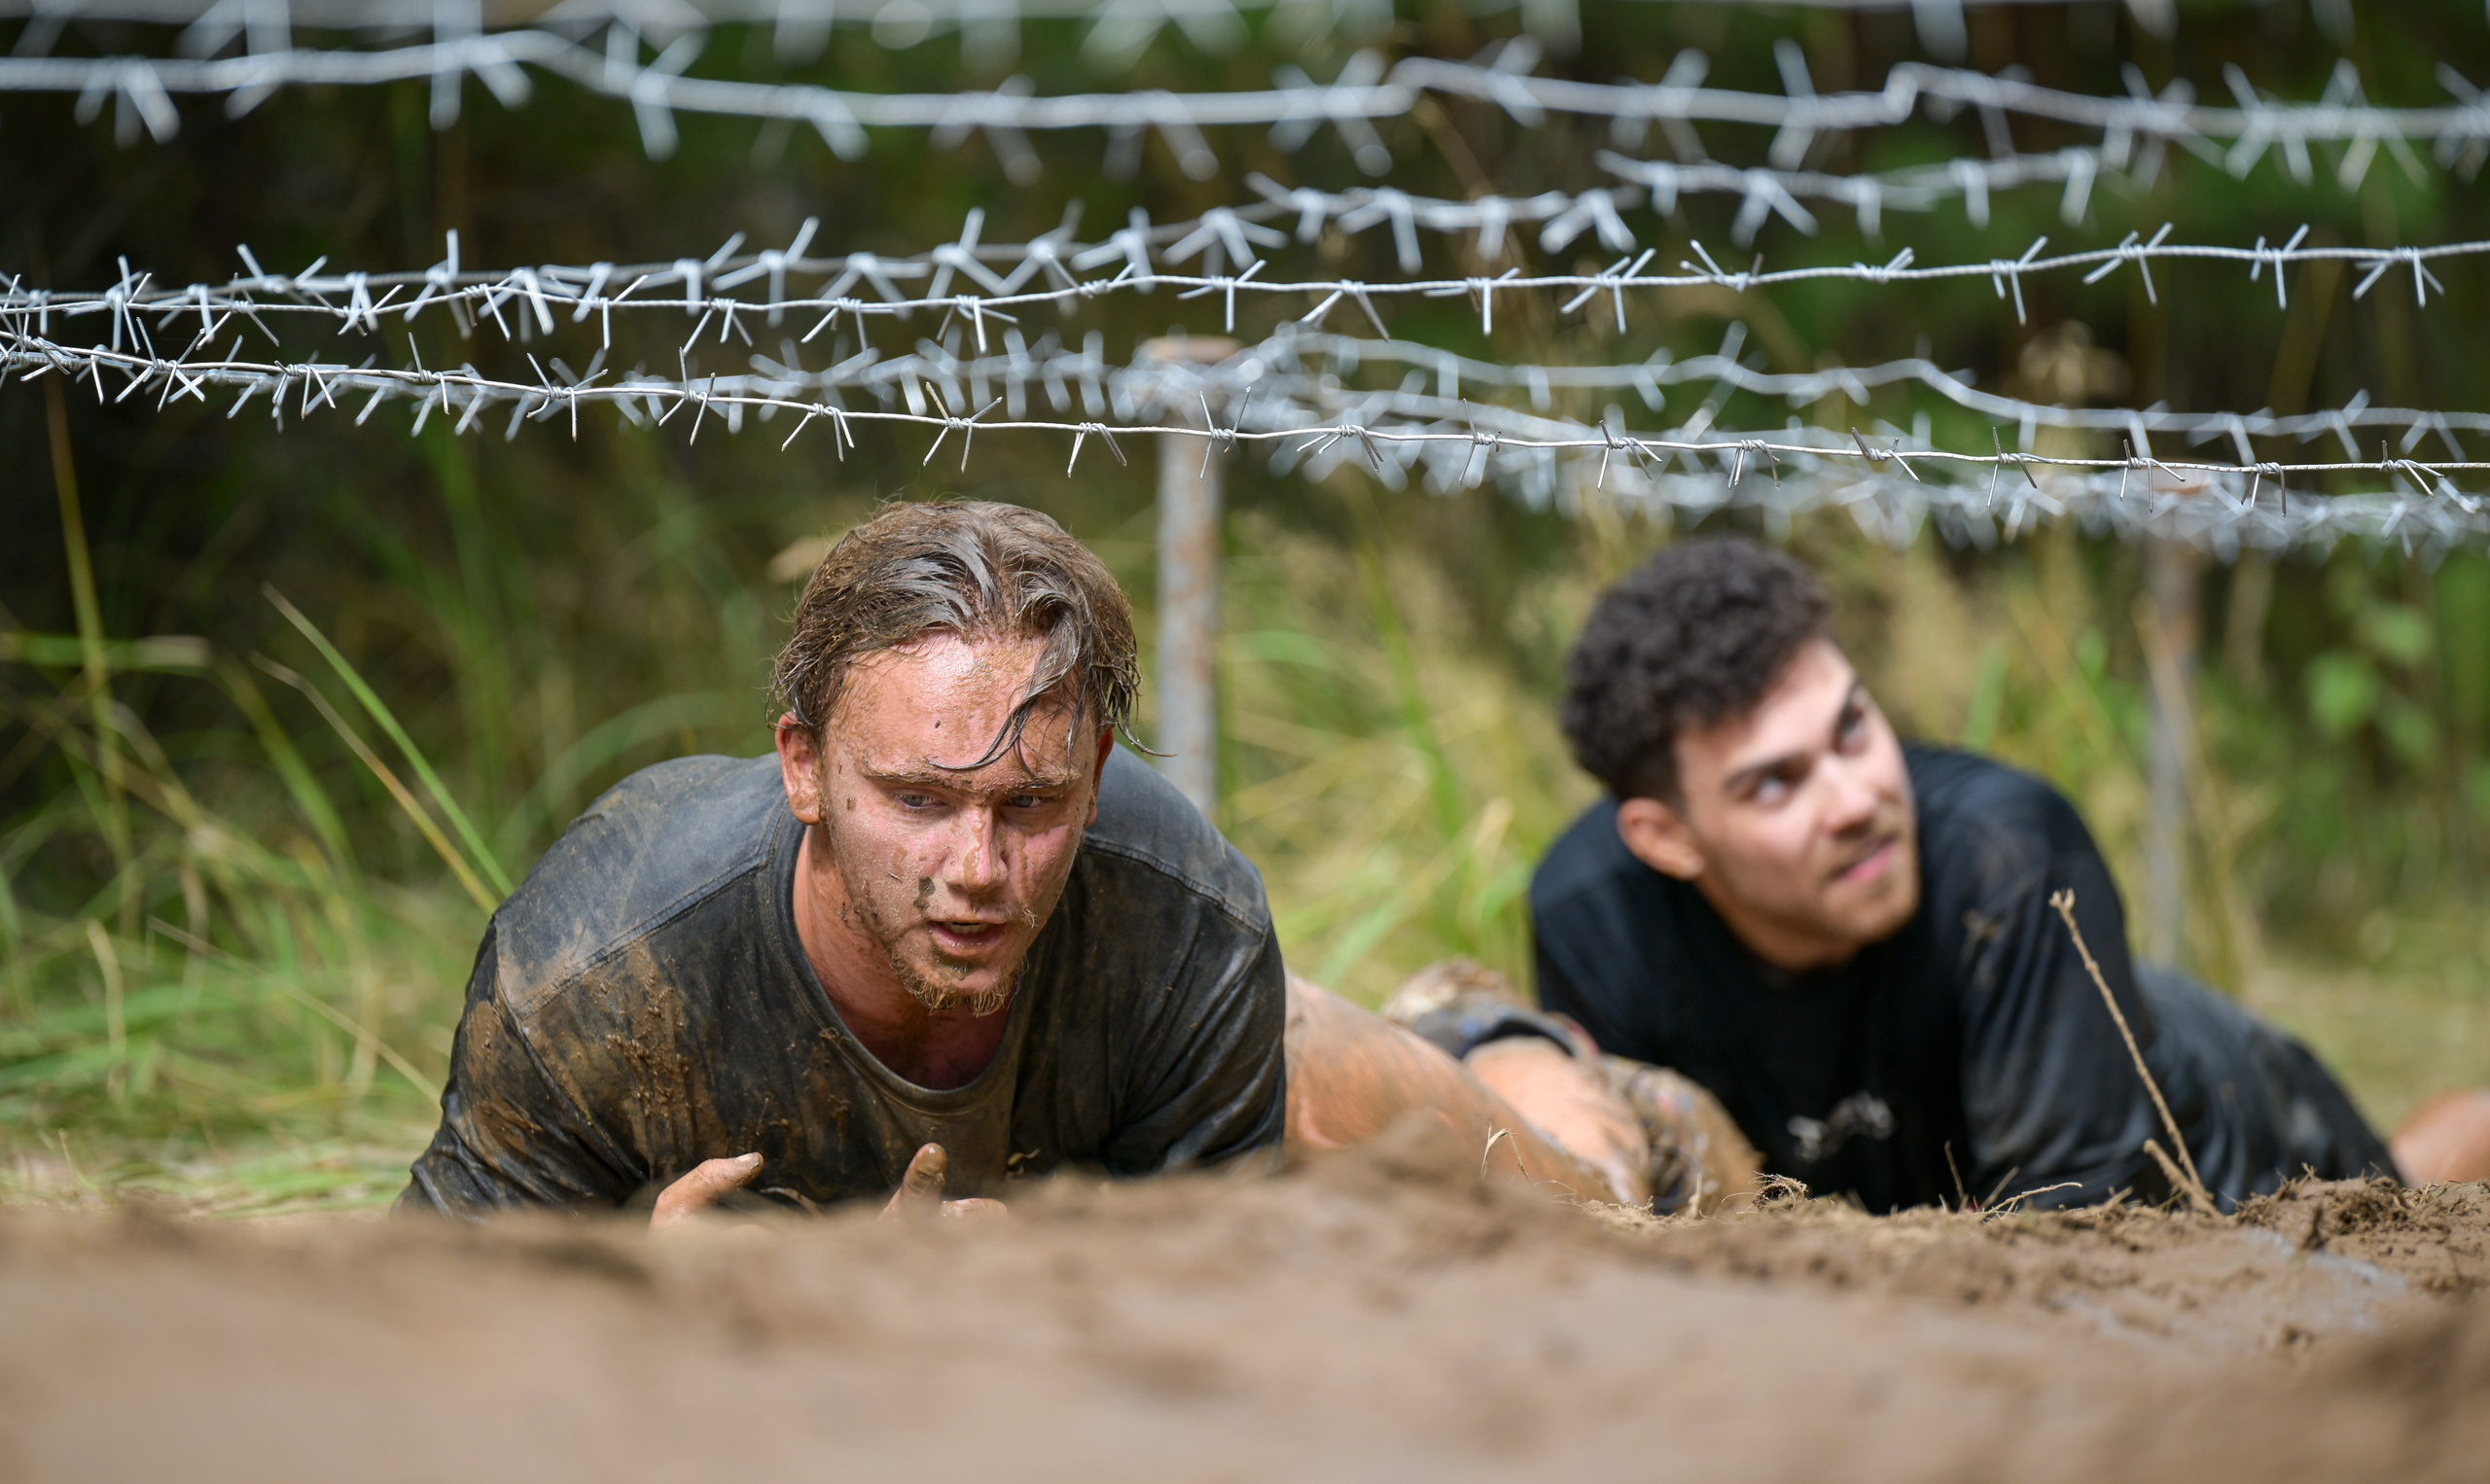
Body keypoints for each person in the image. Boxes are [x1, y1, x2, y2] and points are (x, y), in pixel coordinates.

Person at [400, 498, 1660, 1225]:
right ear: (802, 764)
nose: (977, 868)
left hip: (1260, 1068)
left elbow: (1231, 1336)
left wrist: (1027, 1306)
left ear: (1097, 776)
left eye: (1030, 803)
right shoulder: (601, 967)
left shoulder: (1184, 923)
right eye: (916, 797)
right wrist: (644, 1301)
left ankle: (1508, 1043)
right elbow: (423, 1314)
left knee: (1589, 1208)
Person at [1517, 535, 2490, 1212]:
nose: (1855, 799)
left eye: (1854, 728)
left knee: (2400, 1202)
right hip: (1913, 1181)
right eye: (1776, 784)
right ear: (1665, 839)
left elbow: (2076, 1247)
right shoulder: (1592, 918)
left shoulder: (2009, 859)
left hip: (2207, 1120)